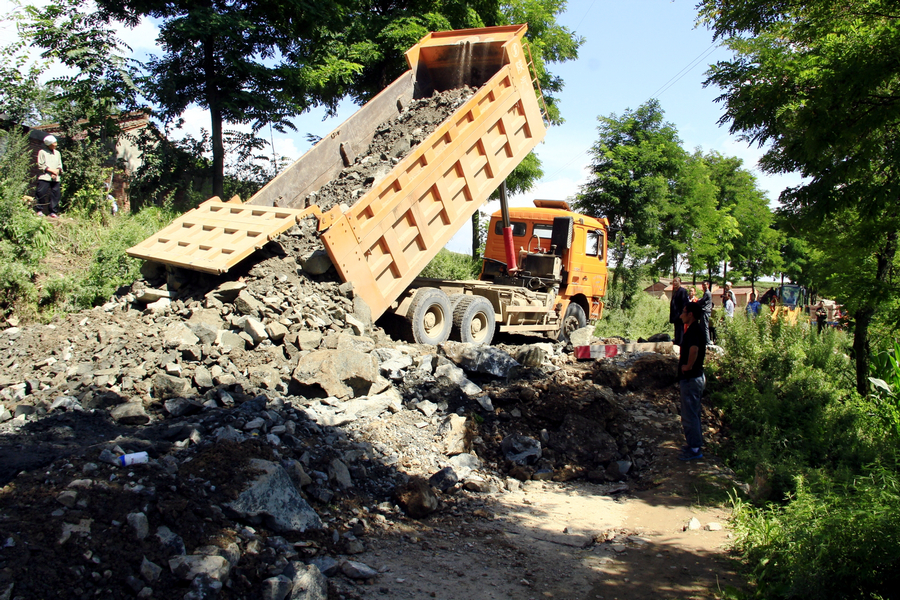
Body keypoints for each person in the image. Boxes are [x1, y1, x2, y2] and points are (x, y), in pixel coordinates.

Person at [678, 301, 707, 461]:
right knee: (692, 413)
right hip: (694, 377)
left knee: (690, 415)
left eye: (683, 312)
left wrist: (688, 366)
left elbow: (694, 350)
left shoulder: (695, 330)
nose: (681, 315)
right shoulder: (695, 329)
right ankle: (693, 445)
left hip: (691, 378)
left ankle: (695, 449)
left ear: (690, 314)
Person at [35, 135, 63, 218]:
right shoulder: (42, 152)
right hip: (45, 176)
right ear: (49, 144)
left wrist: (56, 171)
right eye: (54, 143)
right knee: (41, 193)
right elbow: (41, 165)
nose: (56, 144)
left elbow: (60, 165)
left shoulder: (57, 153)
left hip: (55, 177)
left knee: (55, 194)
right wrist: (52, 171)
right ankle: (39, 211)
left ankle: (53, 212)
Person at [669, 277, 690, 346]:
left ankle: (680, 343)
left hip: (680, 313)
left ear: (680, 282)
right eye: (673, 281)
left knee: (680, 328)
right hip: (675, 314)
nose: (674, 283)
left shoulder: (682, 291)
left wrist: (683, 313)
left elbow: (684, 303)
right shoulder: (675, 291)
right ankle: (677, 340)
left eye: (676, 281)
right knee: (676, 328)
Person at [696, 280, 713, 345]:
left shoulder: (707, 293)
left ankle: (707, 341)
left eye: (705, 285)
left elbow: (702, 301)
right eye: (703, 285)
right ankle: (703, 340)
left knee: (705, 326)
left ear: (708, 285)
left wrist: (697, 301)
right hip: (704, 311)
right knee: (702, 326)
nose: (704, 286)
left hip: (706, 311)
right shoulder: (705, 293)